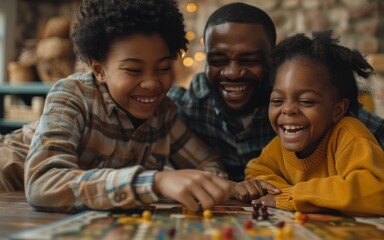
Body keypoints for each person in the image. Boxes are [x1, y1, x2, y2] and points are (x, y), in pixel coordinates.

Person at [167, 2, 384, 215]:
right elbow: (259, 172)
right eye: (218, 60)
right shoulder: (184, 106)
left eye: (249, 60)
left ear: (271, 60)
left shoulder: (311, 107)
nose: (233, 72)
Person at [23, 0, 232, 213]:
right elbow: (43, 183)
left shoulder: (164, 113)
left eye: (163, 68)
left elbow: (207, 163)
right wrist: (153, 182)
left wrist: (212, 184)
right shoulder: (71, 95)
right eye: (133, 70)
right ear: (99, 69)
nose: (151, 83)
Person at [240, 30, 384, 217]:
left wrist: (294, 196)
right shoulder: (277, 148)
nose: (288, 110)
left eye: (306, 101)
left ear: (337, 110)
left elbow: (381, 192)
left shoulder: (348, 135)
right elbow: (256, 172)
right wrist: (276, 192)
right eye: (277, 101)